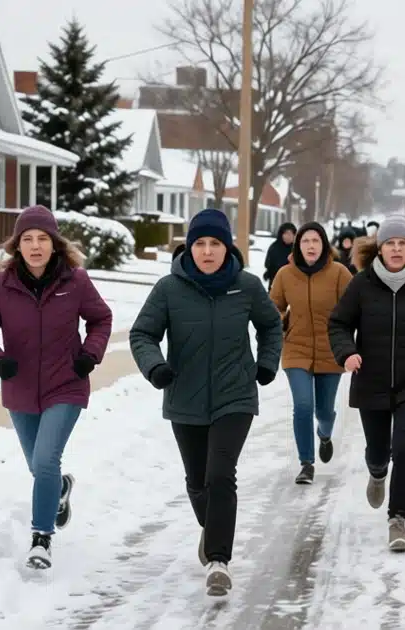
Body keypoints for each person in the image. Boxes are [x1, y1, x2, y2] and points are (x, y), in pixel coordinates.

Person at [129, 208, 283, 598]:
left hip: (236, 396)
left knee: (220, 474)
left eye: (216, 243)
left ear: (227, 247)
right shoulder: (168, 289)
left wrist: (267, 363)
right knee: (198, 483)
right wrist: (155, 367)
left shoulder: (246, 286)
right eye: (200, 243)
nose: (208, 251)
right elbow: (142, 334)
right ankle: (213, 526)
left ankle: (219, 561)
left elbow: (270, 325)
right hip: (185, 396)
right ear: (189, 247)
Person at [0, 205, 112, 570]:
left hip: (66, 384)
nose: (36, 246)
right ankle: (60, 489)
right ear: (17, 245)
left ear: (55, 244)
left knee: (44, 460)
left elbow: (101, 319)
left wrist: (89, 354)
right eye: (28, 239)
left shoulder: (75, 281)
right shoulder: (0, 286)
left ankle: (41, 538)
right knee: (39, 467)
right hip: (19, 388)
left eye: (43, 238)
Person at [328, 215, 405, 552]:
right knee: (379, 451)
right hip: (372, 379)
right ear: (379, 248)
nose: (396, 249)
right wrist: (347, 353)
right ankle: (377, 472)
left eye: (402, 243)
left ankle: (398, 520)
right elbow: (338, 323)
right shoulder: (362, 283)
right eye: (390, 243)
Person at [269, 222, 353, 484]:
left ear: (324, 245)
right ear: (298, 245)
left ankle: (324, 434)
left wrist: (349, 340)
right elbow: (273, 307)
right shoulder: (285, 274)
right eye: (305, 241)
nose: (311, 246)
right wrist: (280, 322)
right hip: (296, 349)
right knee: (303, 405)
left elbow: (354, 307)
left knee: (325, 412)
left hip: (331, 349)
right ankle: (306, 463)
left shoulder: (339, 273)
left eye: (316, 240)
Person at [262, 222, 296, 289]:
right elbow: (268, 264)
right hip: (276, 282)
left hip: (294, 284)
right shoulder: (274, 247)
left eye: (291, 233)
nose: (289, 236)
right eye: (286, 233)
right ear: (281, 235)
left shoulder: (298, 248)